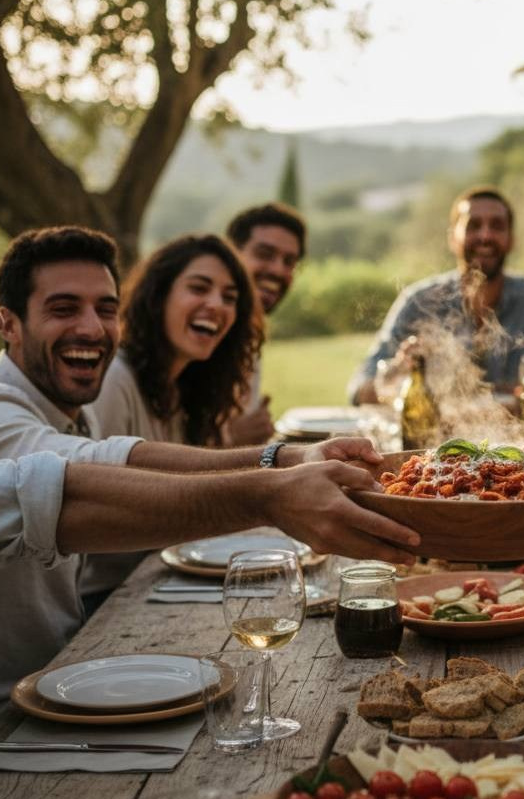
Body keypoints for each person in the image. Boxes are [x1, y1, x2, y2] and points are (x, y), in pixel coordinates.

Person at [0, 226, 418, 695]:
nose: (92, 329)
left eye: (106, 309)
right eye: (63, 308)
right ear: (8, 325)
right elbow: (66, 482)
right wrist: (271, 496)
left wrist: (283, 458)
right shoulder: (7, 415)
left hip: (62, 666)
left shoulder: (65, 412)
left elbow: (113, 458)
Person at [84, 234, 264, 602]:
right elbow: (101, 511)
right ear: (159, 295)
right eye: (199, 288)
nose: (216, 305)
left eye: (230, 298)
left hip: (154, 582)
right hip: (103, 599)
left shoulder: (184, 387)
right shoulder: (116, 379)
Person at [348, 186, 524, 404]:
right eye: (473, 225)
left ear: (511, 240)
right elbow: (359, 390)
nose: (485, 236)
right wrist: (398, 372)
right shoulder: (419, 301)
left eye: (497, 226)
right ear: (453, 238)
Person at [225, 202, 307, 443]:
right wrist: (230, 437)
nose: (278, 270)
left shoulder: (250, 333)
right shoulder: (204, 335)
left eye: (289, 261)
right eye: (264, 254)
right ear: (231, 254)